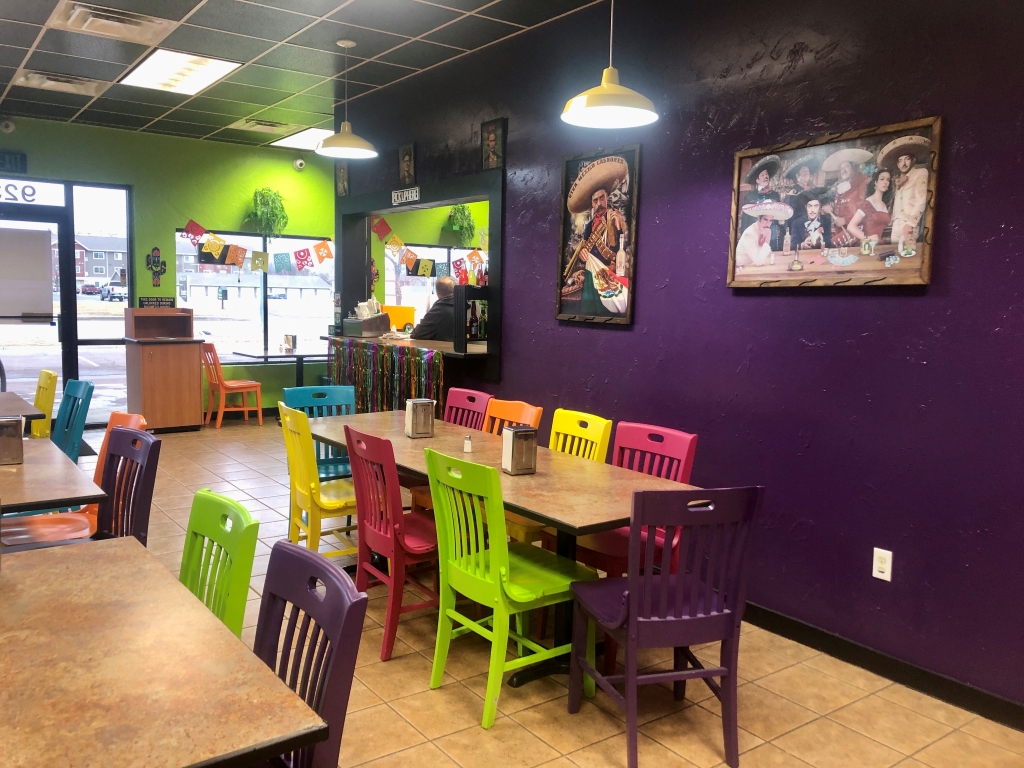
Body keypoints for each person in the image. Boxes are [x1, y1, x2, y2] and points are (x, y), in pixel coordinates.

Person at [878, 135, 931, 244]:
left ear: (913, 160)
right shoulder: (898, 179)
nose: (903, 163)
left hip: (909, 224)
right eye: (900, 160)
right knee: (894, 253)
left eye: (907, 159)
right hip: (896, 224)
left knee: (908, 252)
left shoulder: (920, 173)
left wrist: (910, 224)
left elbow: (921, 200)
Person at [740, 155, 782, 248]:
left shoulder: (775, 195)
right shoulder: (750, 196)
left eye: (767, 174)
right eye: (762, 175)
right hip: (755, 235)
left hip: (772, 235)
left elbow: (780, 215)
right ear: (757, 180)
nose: (766, 176)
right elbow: (745, 220)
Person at [735, 201, 793, 267]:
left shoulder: (764, 230)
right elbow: (758, 262)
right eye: (765, 219)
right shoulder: (749, 234)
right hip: (743, 269)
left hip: (755, 267)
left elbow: (765, 256)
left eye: (770, 220)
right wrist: (767, 240)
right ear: (758, 218)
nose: (768, 224)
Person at [847, 169, 894, 244]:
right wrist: (867, 238)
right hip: (868, 245)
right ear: (875, 182)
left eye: (888, 180)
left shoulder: (885, 204)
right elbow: (851, 226)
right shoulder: (867, 203)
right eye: (882, 179)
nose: (885, 182)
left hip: (880, 244)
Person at [410, 276, 455, 341]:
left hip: (444, 347)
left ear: (438, 294)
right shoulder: (464, 304)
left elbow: (418, 334)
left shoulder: (439, 309)